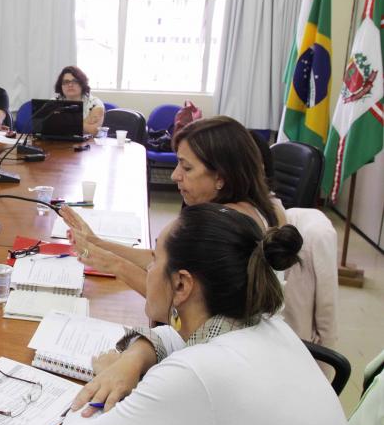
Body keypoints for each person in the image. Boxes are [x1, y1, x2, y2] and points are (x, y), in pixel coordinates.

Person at [54, 203, 353, 425]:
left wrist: (104, 376)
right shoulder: (268, 326)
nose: (149, 269)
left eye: (155, 259)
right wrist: (134, 356)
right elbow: (178, 337)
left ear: (182, 285)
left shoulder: (196, 375)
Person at [64, 115, 286, 295]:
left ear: (221, 177)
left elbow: (169, 300)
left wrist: (114, 264)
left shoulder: (221, 229)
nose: (174, 176)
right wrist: (96, 243)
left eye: (187, 168)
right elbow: (161, 259)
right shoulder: (250, 208)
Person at [54, 66, 104, 136]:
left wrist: (62, 122)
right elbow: (44, 127)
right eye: (66, 82)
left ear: (82, 83)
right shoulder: (53, 103)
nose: (70, 85)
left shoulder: (95, 104)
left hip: (85, 145)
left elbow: (93, 130)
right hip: (57, 143)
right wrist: (83, 123)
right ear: (61, 85)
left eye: (75, 81)